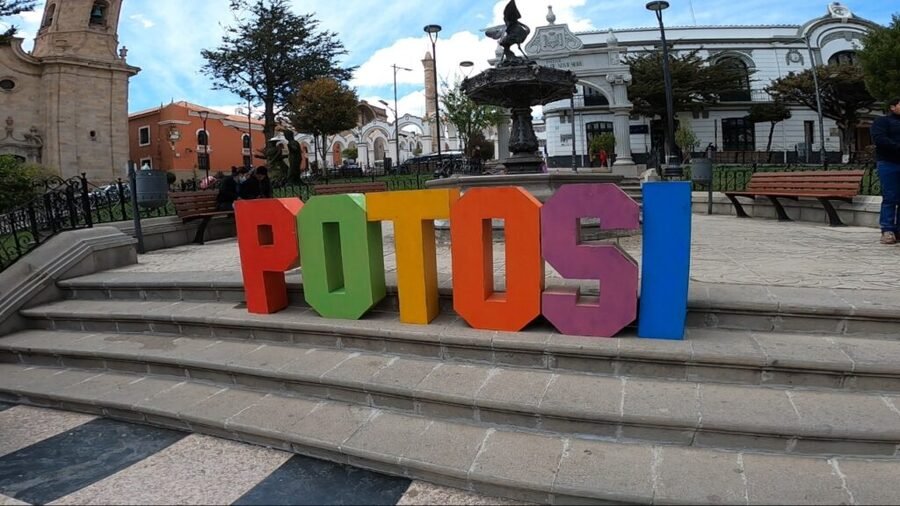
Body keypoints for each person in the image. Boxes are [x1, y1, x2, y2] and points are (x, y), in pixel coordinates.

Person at [871, 98, 900, 244]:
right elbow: (880, 139)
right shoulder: (882, 122)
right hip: (888, 163)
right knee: (890, 196)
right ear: (892, 107)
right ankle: (887, 229)